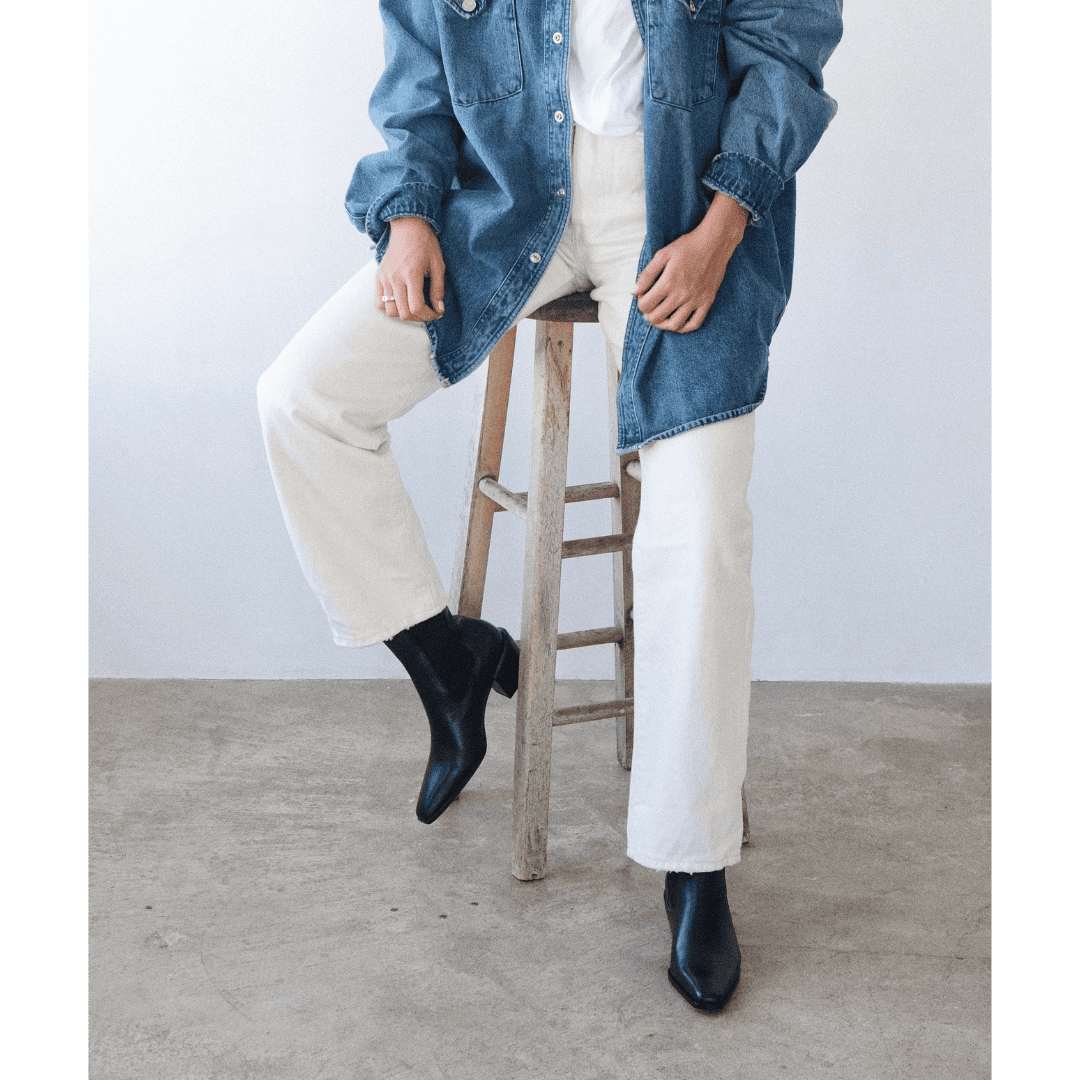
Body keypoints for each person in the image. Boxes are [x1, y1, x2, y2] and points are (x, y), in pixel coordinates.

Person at [258, 0, 842, 1012]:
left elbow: (787, 50)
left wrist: (723, 224)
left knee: (699, 529)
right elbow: (417, 81)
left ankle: (693, 862)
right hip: (508, 206)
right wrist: (405, 216)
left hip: (678, 210)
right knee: (302, 398)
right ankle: (449, 658)